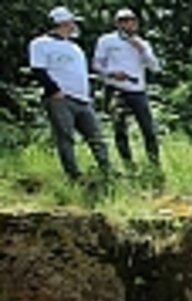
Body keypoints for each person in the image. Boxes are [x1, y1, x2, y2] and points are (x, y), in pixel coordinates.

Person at [29, 6, 111, 180]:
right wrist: (54, 90)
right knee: (65, 138)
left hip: (83, 99)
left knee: (96, 137)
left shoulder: (74, 47)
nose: (74, 26)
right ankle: (73, 176)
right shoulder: (40, 44)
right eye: (71, 22)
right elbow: (38, 69)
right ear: (63, 23)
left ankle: (106, 171)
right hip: (61, 99)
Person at [93, 8, 160, 169]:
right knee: (120, 130)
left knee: (148, 130)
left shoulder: (142, 43)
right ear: (117, 24)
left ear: (136, 23)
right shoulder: (106, 41)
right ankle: (128, 164)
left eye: (131, 20)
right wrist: (111, 73)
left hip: (138, 91)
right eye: (123, 21)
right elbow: (96, 64)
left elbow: (155, 67)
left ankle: (154, 164)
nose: (128, 24)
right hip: (115, 90)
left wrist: (141, 50)